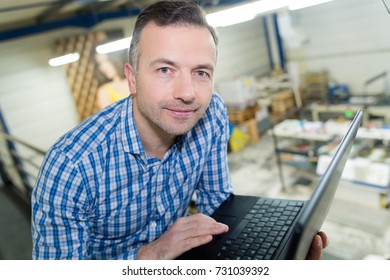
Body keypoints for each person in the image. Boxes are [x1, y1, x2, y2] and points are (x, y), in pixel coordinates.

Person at [31, 0, 328, 260]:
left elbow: (218, 206)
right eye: (165, 70)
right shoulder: (71, 166)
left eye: (201, 72)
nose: (187, 93)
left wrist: (275, 252)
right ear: (132, 79)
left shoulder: (211, 115)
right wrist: (154, 253)